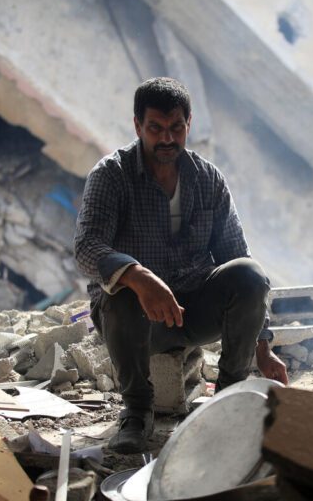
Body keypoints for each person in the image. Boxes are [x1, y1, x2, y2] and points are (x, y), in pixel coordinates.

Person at [74, 77, 288, 454]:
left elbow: (236, 256)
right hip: (137, 322)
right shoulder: (111, 176)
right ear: (138, 126)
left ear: (189, 125)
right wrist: (138, 276)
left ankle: (227, 396)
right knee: (121, 294)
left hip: (193, 312)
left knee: (251, 276)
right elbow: (86, 247)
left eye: (176, 128)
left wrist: (264, 345)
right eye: (155, 129)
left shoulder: (208, 180)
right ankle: (137, 411)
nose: (167, 139)